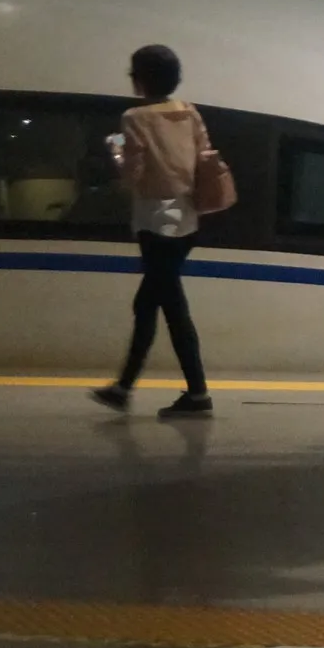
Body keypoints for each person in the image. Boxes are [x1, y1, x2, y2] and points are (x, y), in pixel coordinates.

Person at [90, 45, 213, 418]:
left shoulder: (134, 118)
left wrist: (116, 156)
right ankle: (126, 387)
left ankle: (192, 394)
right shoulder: (189, 113)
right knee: (154, 302)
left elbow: (133, 176)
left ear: (141, 79)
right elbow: (203, 157)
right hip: (187, 219)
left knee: (168, 306)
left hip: (155, 222)